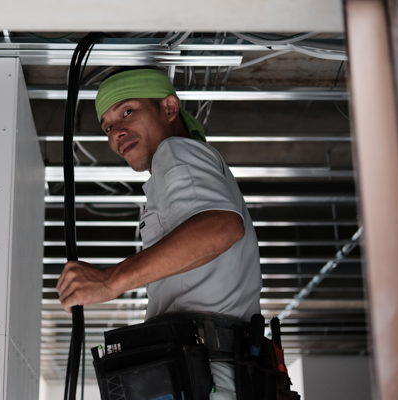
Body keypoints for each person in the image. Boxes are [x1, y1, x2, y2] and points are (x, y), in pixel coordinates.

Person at [56, 68, 262, 400]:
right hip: (204, 368)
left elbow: (222, 226)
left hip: (206, 368)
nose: (116, 132)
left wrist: (111, 281)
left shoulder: (177, 152)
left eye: (127, 111)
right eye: (107, 126)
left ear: (168, 109)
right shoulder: (174, 168)